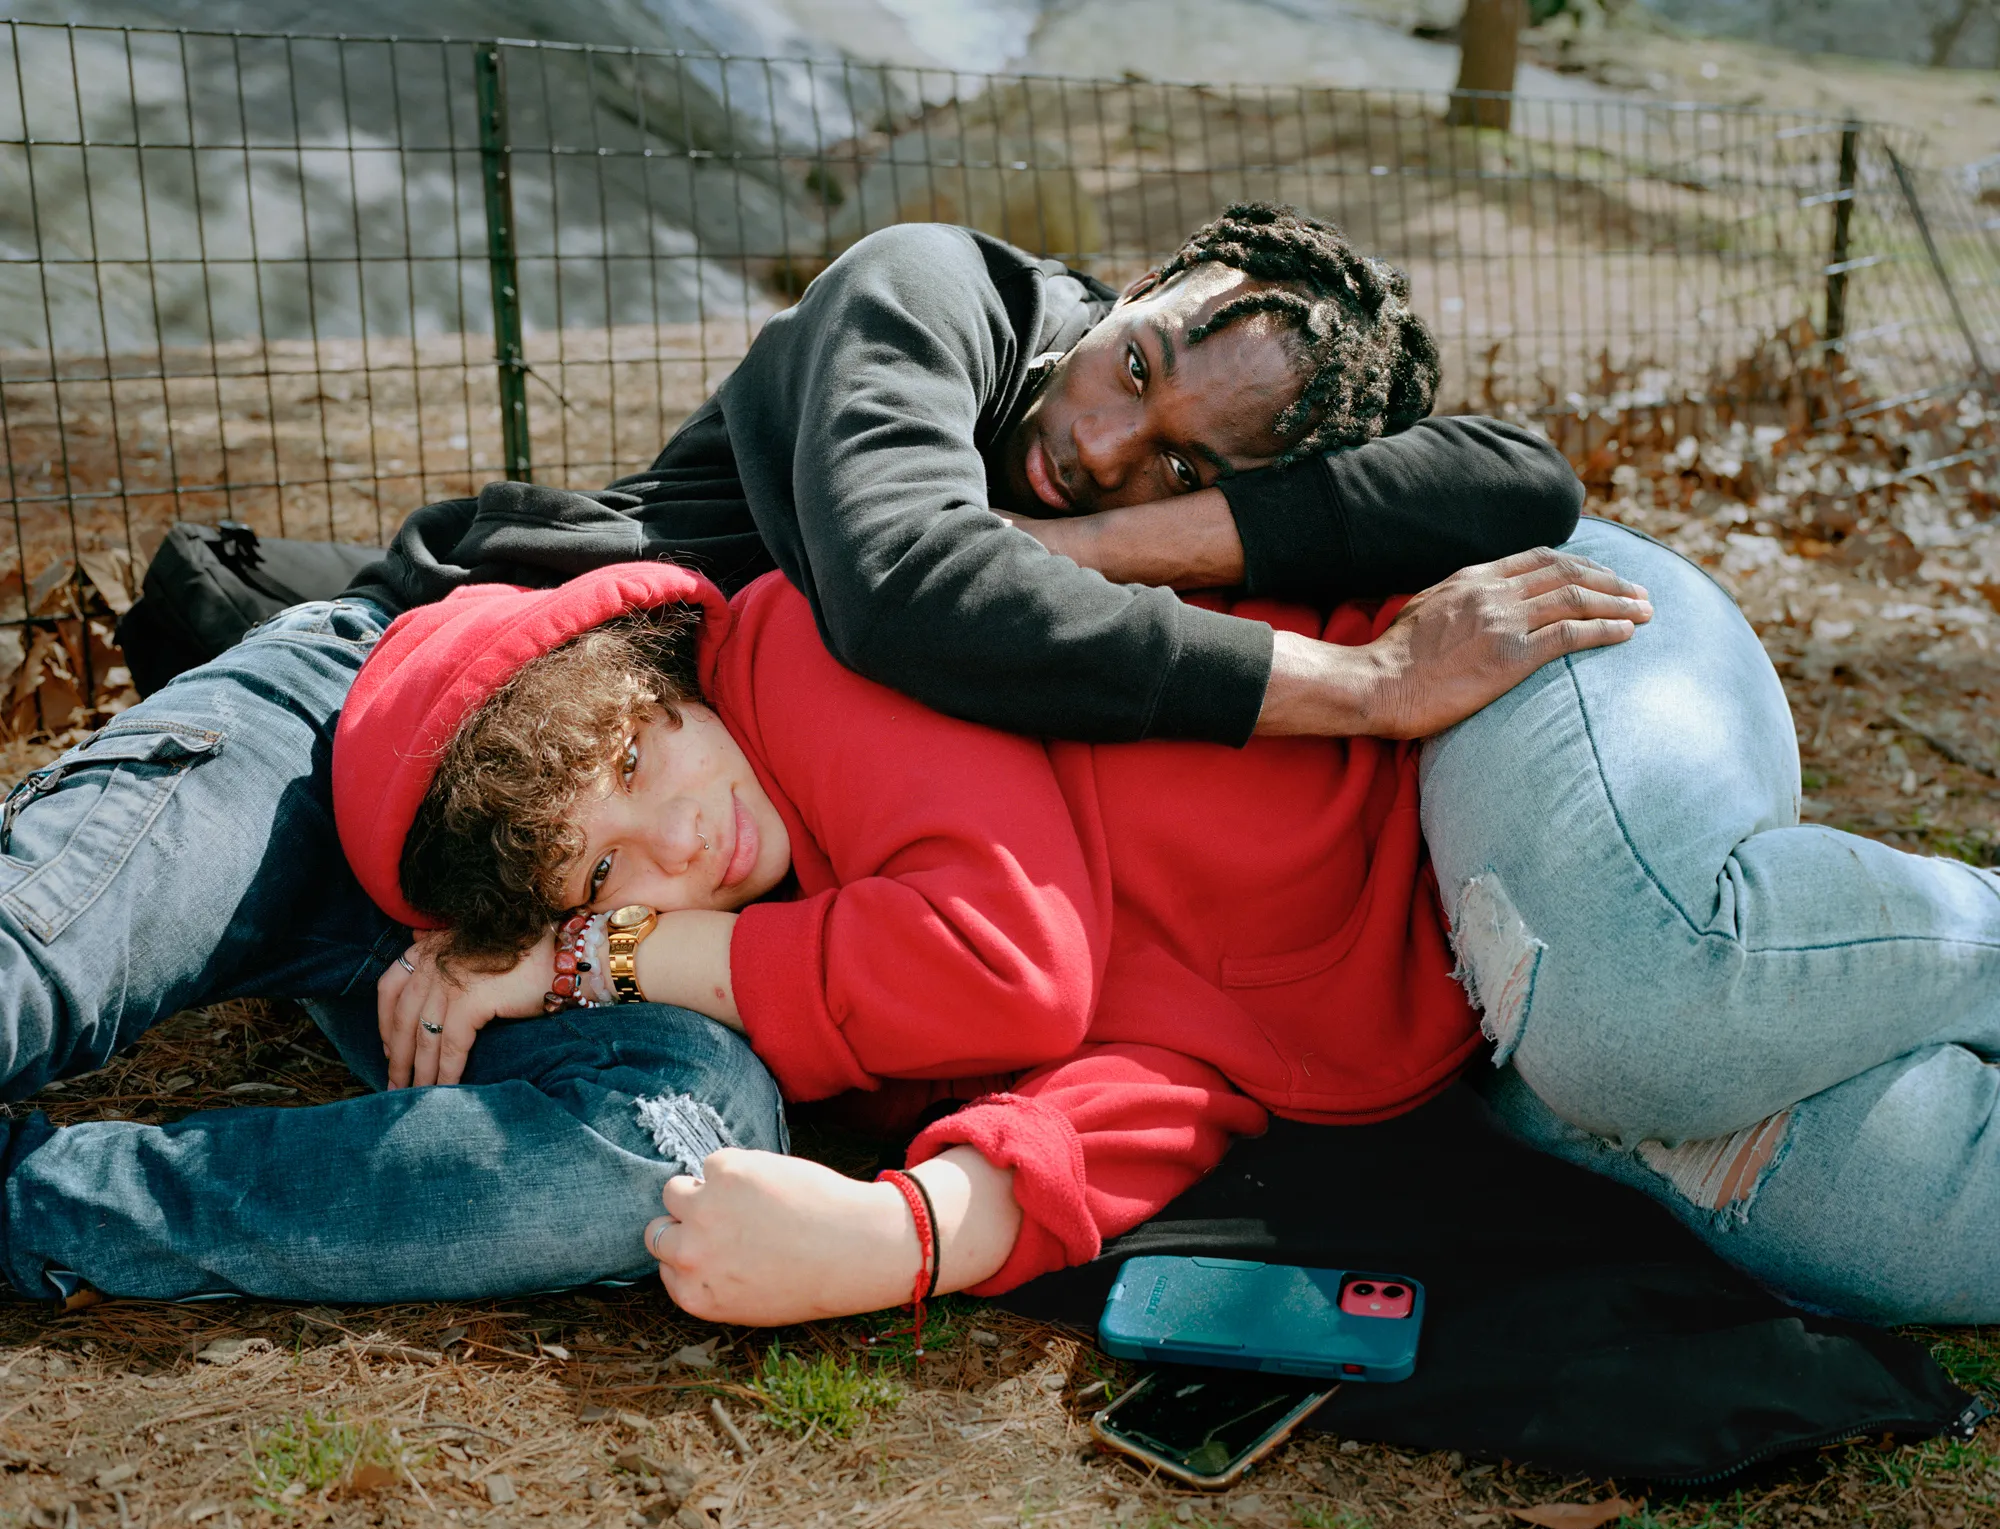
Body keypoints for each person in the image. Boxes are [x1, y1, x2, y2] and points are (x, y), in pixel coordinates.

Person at [0, 204, 1625, 1304]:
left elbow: (1514, 481)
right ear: (1130, 290)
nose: (1103, 445)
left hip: (604, 894)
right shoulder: (936, 300)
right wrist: (1360, 689)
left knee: (669, 1149)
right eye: (1136, 366)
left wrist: (597, 962)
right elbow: (916, 584)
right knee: (31, 962)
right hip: (399, 723)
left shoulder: (1124, 573)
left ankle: (46, 1211)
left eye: (1185, 462)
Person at [338, 512, 2000, 1331]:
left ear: (659, 676)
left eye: (637, 758)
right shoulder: (827, 953)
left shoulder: (809, 653)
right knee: (1912, 1233)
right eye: (602, 871)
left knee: (1641, 1006)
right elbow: (1153, 1088)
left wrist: (618, 951)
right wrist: (910, 1233)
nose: (677, 834)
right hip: (1475, 1005)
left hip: (1515, 674)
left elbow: (1007, 962)